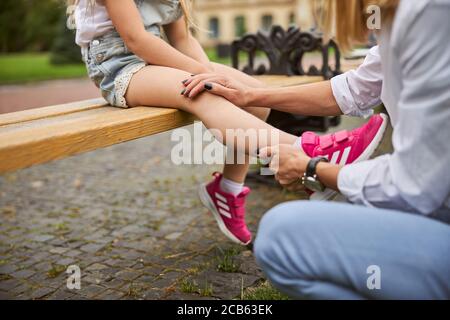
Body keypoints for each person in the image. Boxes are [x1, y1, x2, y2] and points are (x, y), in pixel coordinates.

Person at [186, 0, 450, 299]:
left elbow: (414, 184)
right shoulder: (410, 13)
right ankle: (308, 149)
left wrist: (315, 170)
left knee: (279, 235)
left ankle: (309, 152)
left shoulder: (429, 13)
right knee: (346, 212)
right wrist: (251, 96)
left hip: (435, 211)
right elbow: (352, 89)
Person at [70, 0, 387, 246]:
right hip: (119, 67)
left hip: (156, 60)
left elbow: (182, 38)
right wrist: (204, 78)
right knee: (201, 95)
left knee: (253, 96)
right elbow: (136, 39)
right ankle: (308, 152)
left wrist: (209, 73)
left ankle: (227, 190)